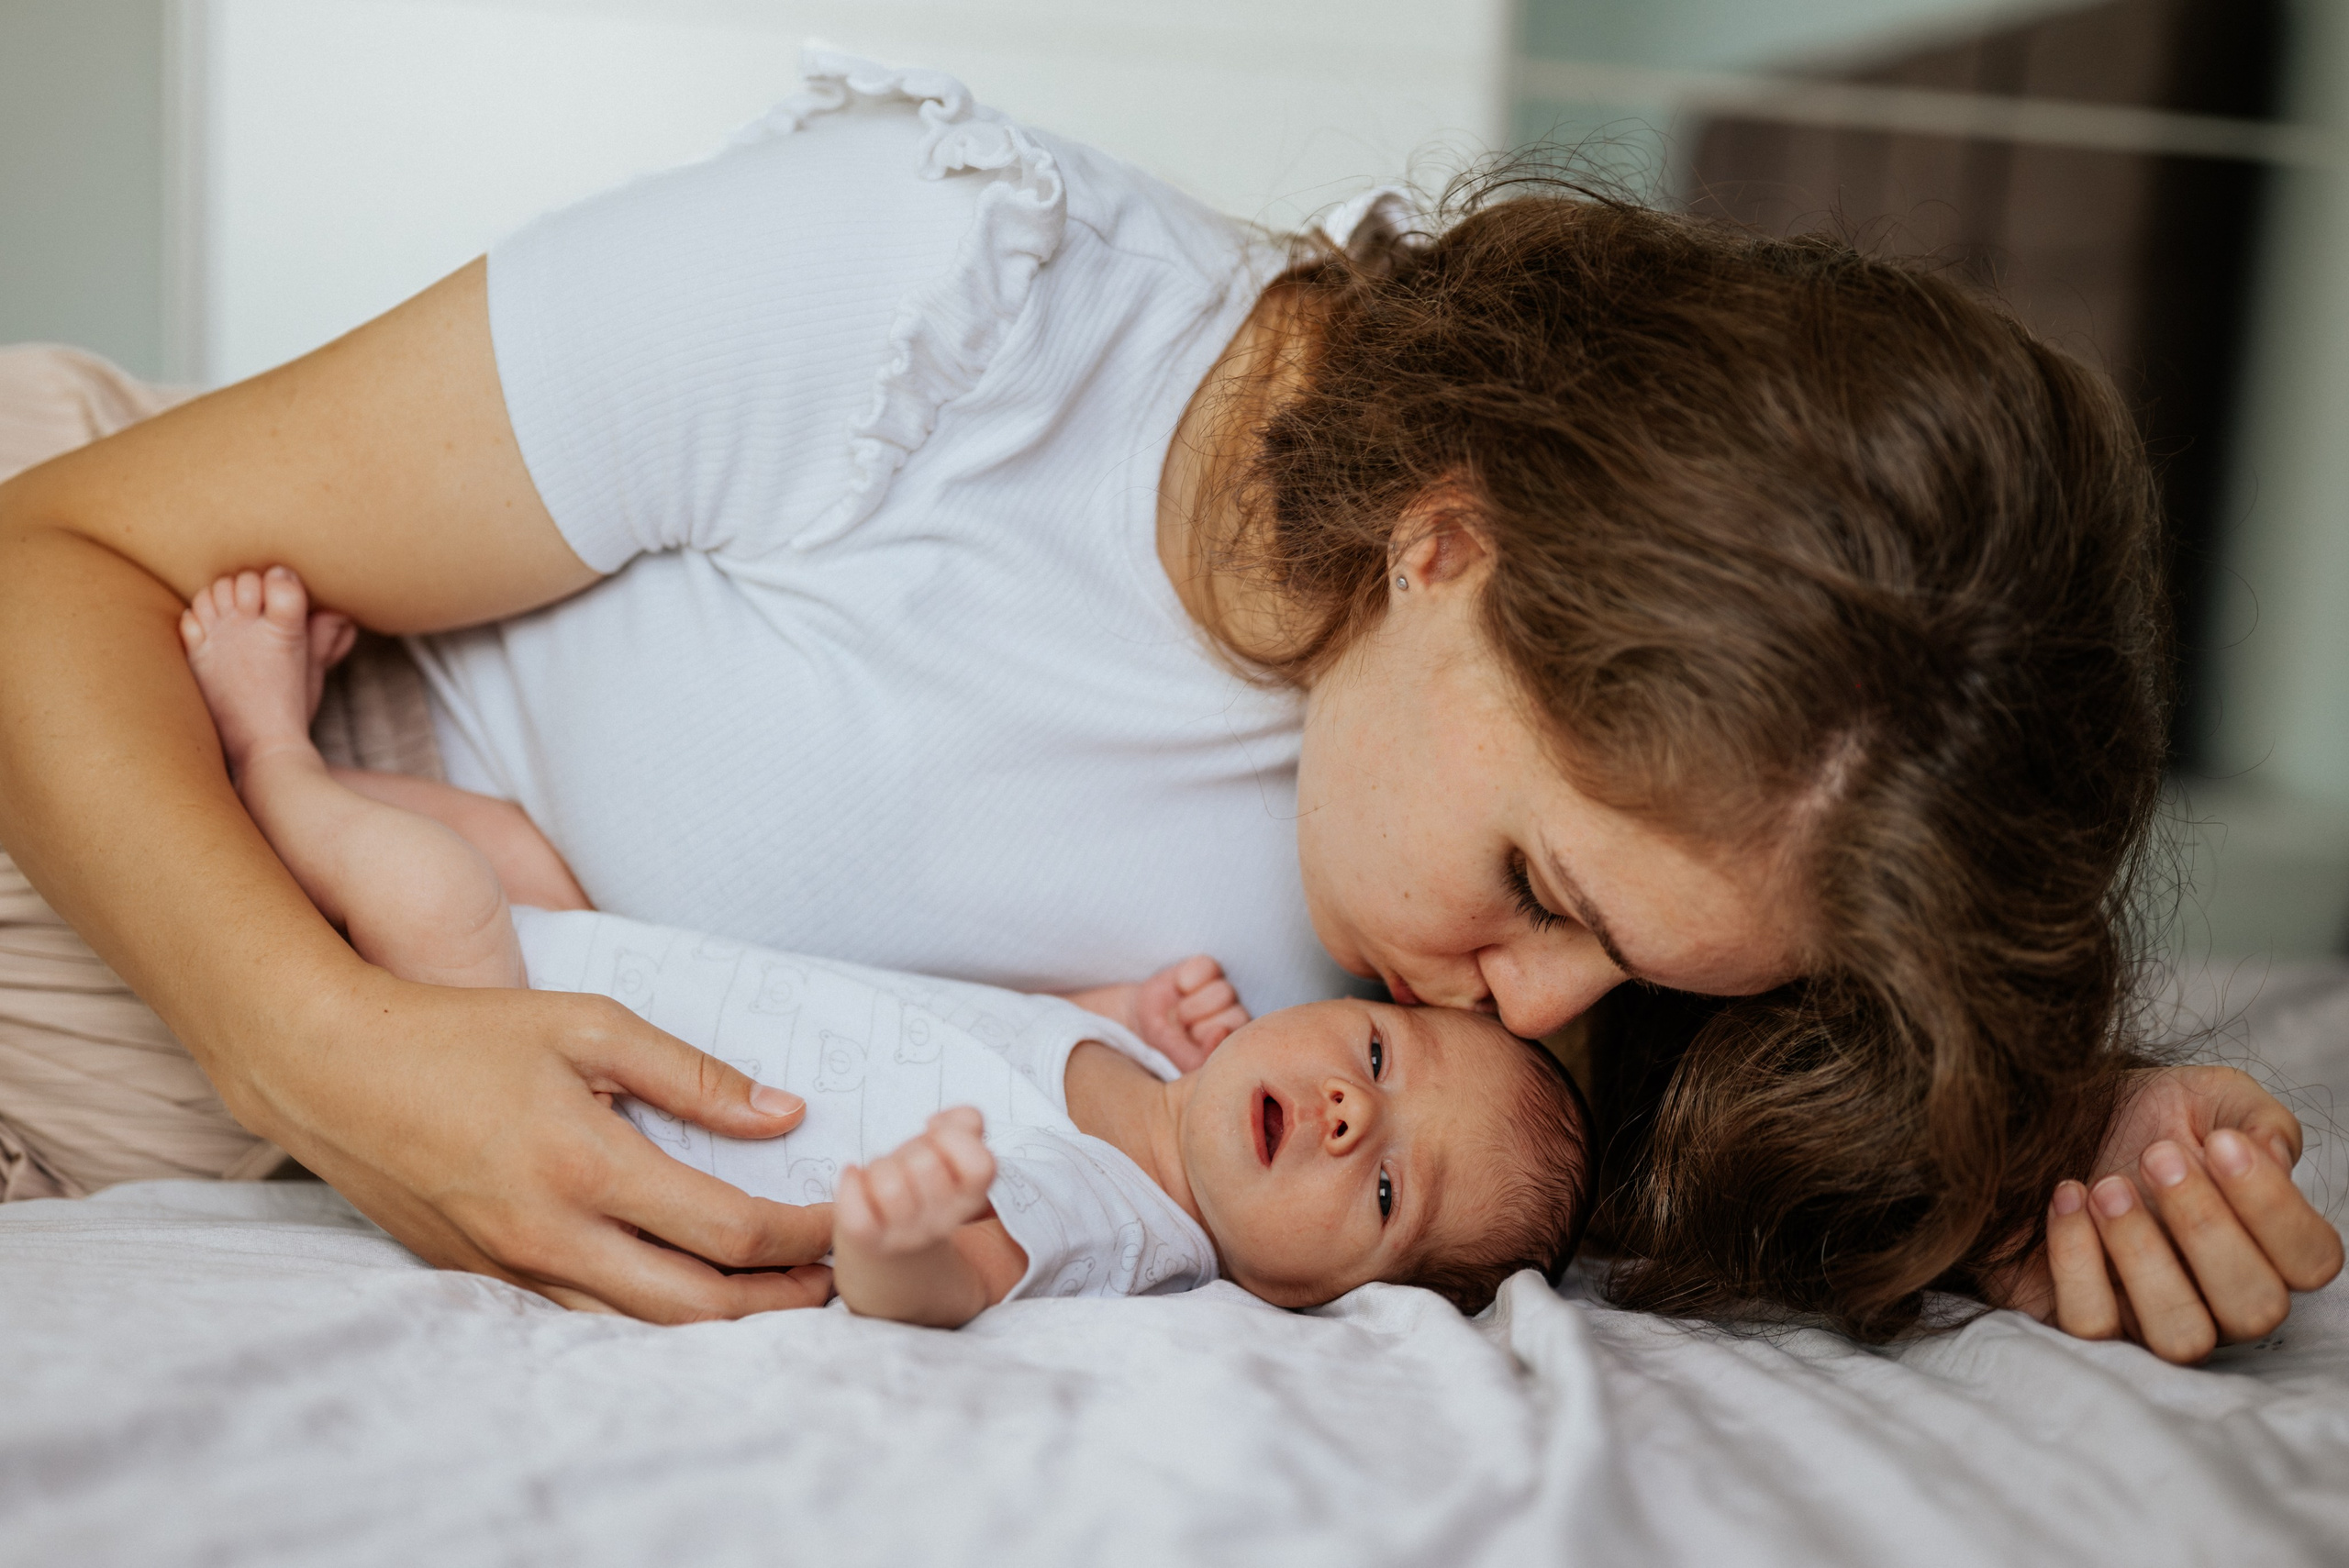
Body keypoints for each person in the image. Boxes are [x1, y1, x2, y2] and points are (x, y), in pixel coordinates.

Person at [0, 51, 2333, 1359]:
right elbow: (60, 564)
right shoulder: (931, 307)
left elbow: (1664, 1117)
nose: (1528, 1004)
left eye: (1627, 972)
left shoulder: (1548, 945)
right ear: (1451, 532)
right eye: (1539, 888)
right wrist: (328, 1054)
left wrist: (2050, 1135)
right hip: (117, 776)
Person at [177, 561, 1589, 1325]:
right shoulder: (1141, 1077)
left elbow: (955, 1279)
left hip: (570, 1101)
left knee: (439, 903)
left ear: (1336, 1297)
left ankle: (265, 751)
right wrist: (1127, 1004)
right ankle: (262, 824)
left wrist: (898, 1236)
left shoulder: (1126, 1223)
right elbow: (997, 1031)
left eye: (1392, 1185)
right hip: (621, 976)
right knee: (506, 852)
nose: (1352, 1111)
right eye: (1373, 1048)